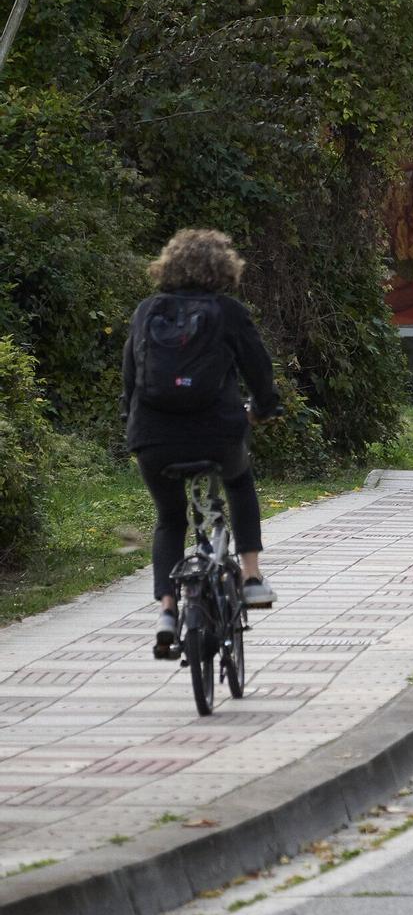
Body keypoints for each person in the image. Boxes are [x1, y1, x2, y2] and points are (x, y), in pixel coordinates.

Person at [122, 229, 282, 659]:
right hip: (218, 432)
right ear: (223, 267)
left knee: (170, 518)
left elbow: (130, 377)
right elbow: (258, 368)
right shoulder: (227, 311)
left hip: (153, 436)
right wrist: (264, 408)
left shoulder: (147, 310)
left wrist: (132, 427)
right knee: (239, 483)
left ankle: (167, 611)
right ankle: (251, 577)